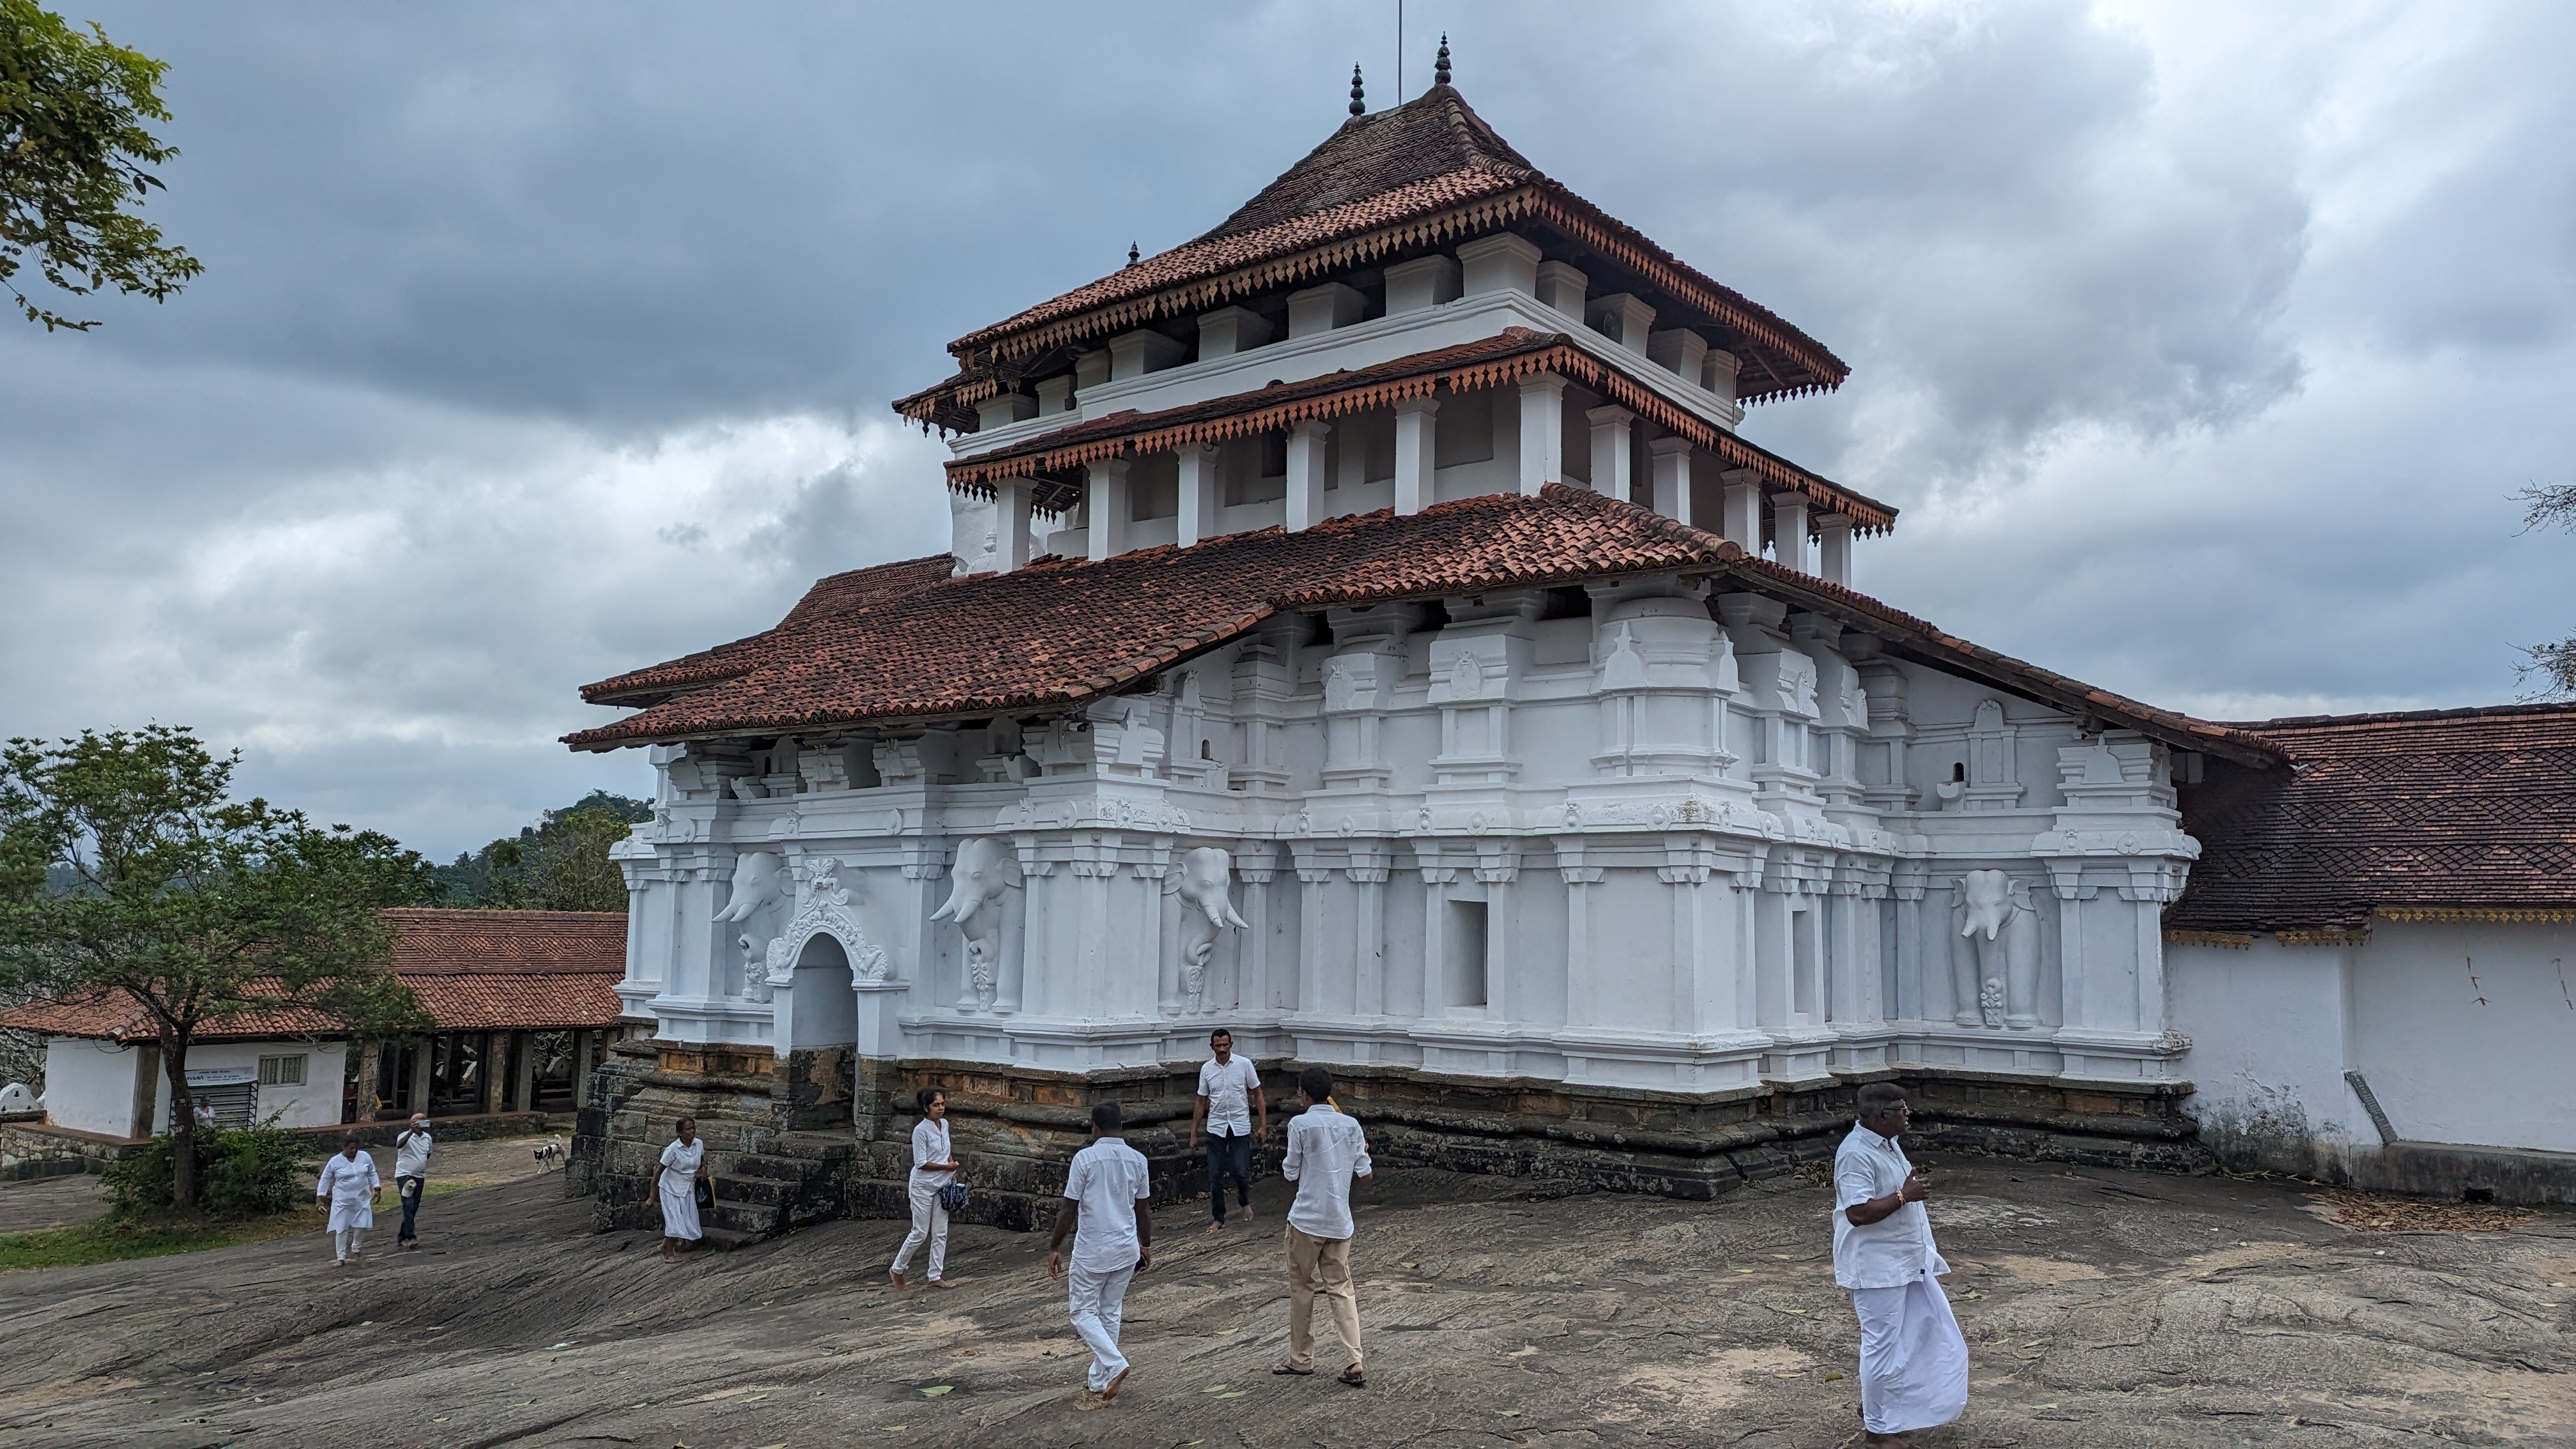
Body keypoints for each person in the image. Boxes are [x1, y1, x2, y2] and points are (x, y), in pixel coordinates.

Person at [1835, 1082, 1969, 1446]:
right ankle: (1878, 1434)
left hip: (1906, 1261)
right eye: (1902, 1109)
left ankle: (1880, 1406)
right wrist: (1903, 1196)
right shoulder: (1855, 1154)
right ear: (1883, 1116)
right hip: (1877, 1269)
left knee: (1923, 1337)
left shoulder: (1889, 1143)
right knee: (1881, 1347)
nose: (1908, 1114)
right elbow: (1857, 1213)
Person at [1046, 1100, 1153, 1404]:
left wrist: (1055, 1246)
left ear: (1094, 1127)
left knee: (1082, 1312)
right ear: (1121, 1126)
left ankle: (1115, 1364)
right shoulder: (1138, 1160)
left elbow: (1070, 1207)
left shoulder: (1085, 1159)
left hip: (1093, 1248)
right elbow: (1143, 1209)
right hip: (1126, 1247)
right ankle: (1099, 1380)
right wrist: (1145, 1245)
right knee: (1110, 1312)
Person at [1275, 1065, 1371, 1388]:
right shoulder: (1351, 1125)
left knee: (1302, 1287)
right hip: (1339, 1221)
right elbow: (1366, 1174)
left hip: (1306, 1219)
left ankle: (1301, 1359)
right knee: (1341, 1288)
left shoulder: (1300, 1124)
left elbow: (1290, 1172)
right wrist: (1362, 1152)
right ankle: (1354, 1358)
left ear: (1303, 1094)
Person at [1189, 1028, 1265, 1234]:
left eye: (1225, 1045)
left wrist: (1263, 1125)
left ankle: (1244, 1201)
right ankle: (1218, 1218)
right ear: (1212, 1047)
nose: (1222, 1049)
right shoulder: (1207, 1069)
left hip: (1240, 1125)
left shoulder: (1244, 1065)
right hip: (1216, 1127)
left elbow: (1258, 1094)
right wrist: (1194, 1133)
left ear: (1231, 1045)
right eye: (1218, 1046)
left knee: (1240, 1171)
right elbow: (1201, 1101)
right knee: (1215, 1176)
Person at [890, 1086, 963, 1289]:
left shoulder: (945, 1124)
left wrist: (951, 1165)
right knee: (920, 1232)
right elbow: (921, 1163)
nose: (940, 1108)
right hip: (923, 1186)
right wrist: (946, 1167)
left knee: (940, 1232)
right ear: (926, 1108)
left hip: (943, 1183)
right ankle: (897, 1268)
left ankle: (935, 1276)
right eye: (936, 1105)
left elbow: (946, 1149)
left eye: (942, 1104)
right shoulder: (920, 1131)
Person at [314, 1134, 381, 1267]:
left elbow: (372, 1172)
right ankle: (341, 1257)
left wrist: (377, 1188)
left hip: (362, 1197)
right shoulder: (335, 1161)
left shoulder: (365, 1157)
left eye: (356, 1148)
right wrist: (319, 1199)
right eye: (351, 1148)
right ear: (343, 1147)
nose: (354, 1151)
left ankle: (356, 1248)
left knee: (363, 1223)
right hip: (342, 1199)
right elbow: (325, 1179)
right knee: (341, 1227)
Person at [657, 1117, 711, 1262]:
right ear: (680, 1133)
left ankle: (664, 1246)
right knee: (675, 1222)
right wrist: (652, 1196)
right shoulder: (673, 1149)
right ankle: (669, 1254)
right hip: (670, 1188)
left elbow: (702, 1160)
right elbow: (659, 1172)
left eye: (693, 1128)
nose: (692, 1131)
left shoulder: (698, 1144)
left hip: (687, 1187)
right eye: (688, 1129)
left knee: (686, 1221)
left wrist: (704, 1170)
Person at [392, 1112, 433, 1250]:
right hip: (405, 1175)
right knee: (408, 1205)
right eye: (418, 1122)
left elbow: (428, 1154)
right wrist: (411, 1132)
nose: (421, 1124)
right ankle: (411, 1236)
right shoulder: (405, 1136)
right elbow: (399, 1145)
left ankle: (401, 1236)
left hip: (419, 1176)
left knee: (413, 1207)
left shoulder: (427, 1138)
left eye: (424, 1121)